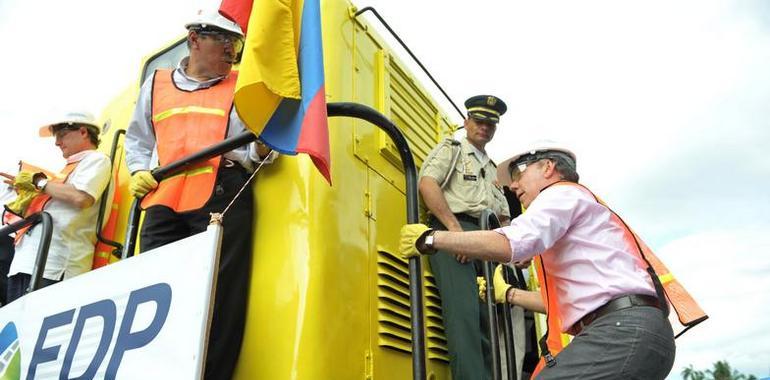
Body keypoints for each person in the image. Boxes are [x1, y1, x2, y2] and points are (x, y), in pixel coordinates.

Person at [400, 140, 693, 379]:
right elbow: (563, 302)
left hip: (620, 333)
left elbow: (511, 241)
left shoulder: (560, 194)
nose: (513, 187)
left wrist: (431, 239)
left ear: (549, 167)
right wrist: (510, 294)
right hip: (640, 335)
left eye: (518, 174)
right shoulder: (579, 210)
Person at [124, 10, 275, 380]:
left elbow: (257, 154)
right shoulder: (155, 84)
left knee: (219, 298)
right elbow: (138, 139)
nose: (231, 50)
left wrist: (260, 149)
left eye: (236, 43)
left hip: (223, 194)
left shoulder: (242, 86)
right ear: (194, 39)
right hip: (163, 198)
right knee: (155, 292)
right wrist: (137, 171)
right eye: (224, 41)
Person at [417, 95, 511, 380]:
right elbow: (427, 184)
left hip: (487, 245)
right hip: (456, 234)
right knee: (464, 318)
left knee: (488, 325)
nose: (484, 127)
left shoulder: (494, 169)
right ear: (467, 121)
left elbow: (504, 217)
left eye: (490, 124)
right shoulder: (452, 149)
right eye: (479, 121)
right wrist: (455, 231)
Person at [1, 111, 111, 303]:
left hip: (54, 266)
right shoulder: (65, 171)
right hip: (28, 264)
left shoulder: (96, 160)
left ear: (83, 132)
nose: (57, 143)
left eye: (61, 135)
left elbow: (81, 197)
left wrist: (39, 183)